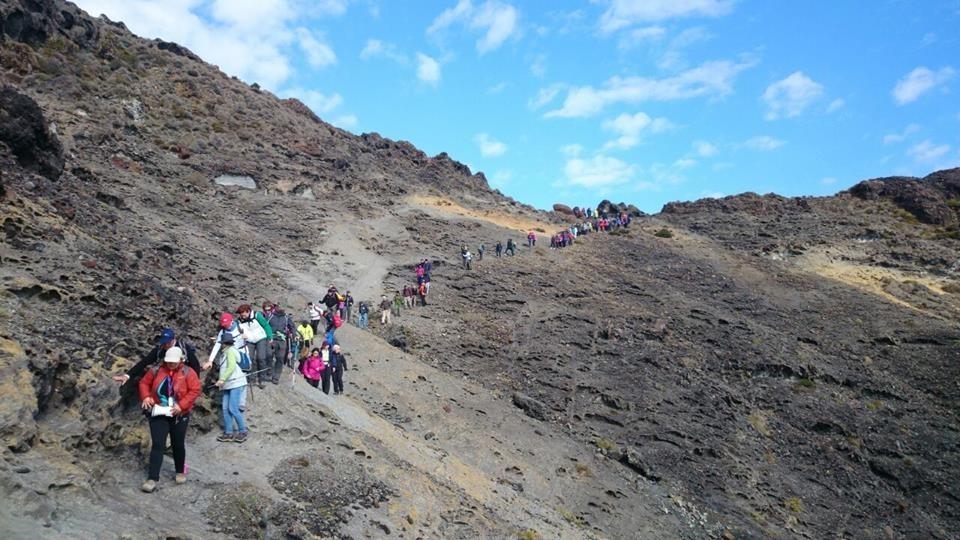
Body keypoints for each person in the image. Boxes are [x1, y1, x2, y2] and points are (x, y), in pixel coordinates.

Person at [138, 346, 201, 493]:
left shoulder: (188, 372)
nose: (171, 364)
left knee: (177, 443)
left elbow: (195, 390)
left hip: (179, 415)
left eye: (174, 361)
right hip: (159, 412)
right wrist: (146, 396)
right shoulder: (156, 370)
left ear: (181, 360)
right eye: (169, 361)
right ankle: (152, 478)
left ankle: (180, 471)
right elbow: (144, 383)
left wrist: (181, 405)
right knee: (158, 444)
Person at [113, 328, 202, 385]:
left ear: (173, 340)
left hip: (183, 375)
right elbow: (145, 361)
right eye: (164, 342)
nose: (166, 345)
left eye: (168, 342)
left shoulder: (183, 348)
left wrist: (195, 381)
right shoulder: (160, 349)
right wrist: (127, 375)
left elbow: (195, 364)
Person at [214, 334, 248, 443]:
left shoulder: (230, 351)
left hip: (235, 383)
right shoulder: (226, 352)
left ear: (224, 343)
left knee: (233, 408)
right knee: (225, 409)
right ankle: (228, 432)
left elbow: (231, 366)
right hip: (228, 384)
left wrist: (222, 379)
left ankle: (243, 430)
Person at [236, 304, 272, 388]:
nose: (242, 316)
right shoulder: (239, 321)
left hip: (261, 338)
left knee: (261, 358)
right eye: (241, 314)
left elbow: (266, 325)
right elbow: (238, 331)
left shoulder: (257, 315)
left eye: (244, 314)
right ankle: (251, 378)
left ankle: (262, 379)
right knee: (249, 358)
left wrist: (270, 336)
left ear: (248, 311)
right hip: (249, 340)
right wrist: (241, 335)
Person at [263, 302, 293, 384]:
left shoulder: (286, 317)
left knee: (280, 358)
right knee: (268, 354)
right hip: (271, 338)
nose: (281, 308)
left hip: (282, 340)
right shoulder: (270, 315)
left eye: (283, 307)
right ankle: (269, 370)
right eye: (279, 306)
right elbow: (264, 325)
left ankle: (276, 377)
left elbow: (292, 327)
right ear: (276, 307)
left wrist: (294, 334)